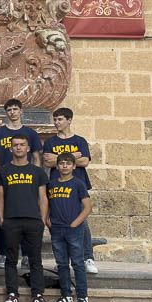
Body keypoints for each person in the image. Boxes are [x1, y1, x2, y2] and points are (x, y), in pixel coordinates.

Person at [0, 135, 50, 302]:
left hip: (33, 220)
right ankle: (12, 293)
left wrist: (42, 219)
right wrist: (2, 219)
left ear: (28, 149)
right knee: (11, 260)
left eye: (22, 145)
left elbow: (43, 197)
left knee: (35, 260)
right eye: (15, 145)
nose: (18, 148)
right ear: (10, 149)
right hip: (11, 220)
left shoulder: (37, 171)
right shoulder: (2, 171)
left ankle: (38, 295)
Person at [42, 107, 97, 273]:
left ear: (69, 120)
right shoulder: (51, 142)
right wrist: (75, 156)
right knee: (56, 222)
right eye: (55, 119)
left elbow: (85, 161)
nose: (57, 123)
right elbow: (48, 162)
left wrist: (60, 158)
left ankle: (88, 257)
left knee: (83, 222)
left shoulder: (80, 140)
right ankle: (63, 260)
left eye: (60, 119)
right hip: (57, 186)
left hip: (77, 185)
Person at [48, 152, 92, 302]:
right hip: (57, 229)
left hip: (73, 229)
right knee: (61, 264)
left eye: (68, 163)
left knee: (78, 263)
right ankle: (66, 296)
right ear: (57, 166)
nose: (64, 166)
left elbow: (87, 207)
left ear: (74, 166)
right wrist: (47, 220)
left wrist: (75, 223)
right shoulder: (51, 184)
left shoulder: (78, 183)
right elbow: (46, 204)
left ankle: (82, 298)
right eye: (61, 163)